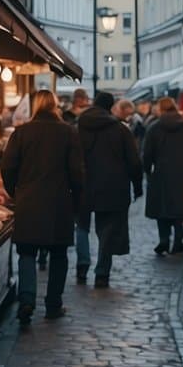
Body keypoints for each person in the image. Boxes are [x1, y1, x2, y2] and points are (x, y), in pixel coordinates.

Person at [1, 90, 84, 325]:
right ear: (55, 106)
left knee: (26, 253)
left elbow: (7, 167)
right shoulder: (68, 132)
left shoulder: (22, 132)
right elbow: (77, 173)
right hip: (59, 203)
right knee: (59, 255)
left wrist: (15, 192)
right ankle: (53, 305)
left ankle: (26, 300)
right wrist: (77, 203)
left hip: (28, 201)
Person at [75, 92, 143, 288]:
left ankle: (82, 265)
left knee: (81, 225)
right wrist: (137, 187)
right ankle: (102, 273)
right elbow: (134, 162)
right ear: (111, 107)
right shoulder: (120, 130)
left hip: (84, 184)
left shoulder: (78, 127)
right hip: (113, 186)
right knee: (107, 230)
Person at [143, 96, 183, 255]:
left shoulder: (154, 128)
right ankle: (177, 242)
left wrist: (147, 171)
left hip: (161, 173)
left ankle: (163, 240)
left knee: (161, 208)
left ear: (161, 109)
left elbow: (147, 154)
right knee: (179, 209)